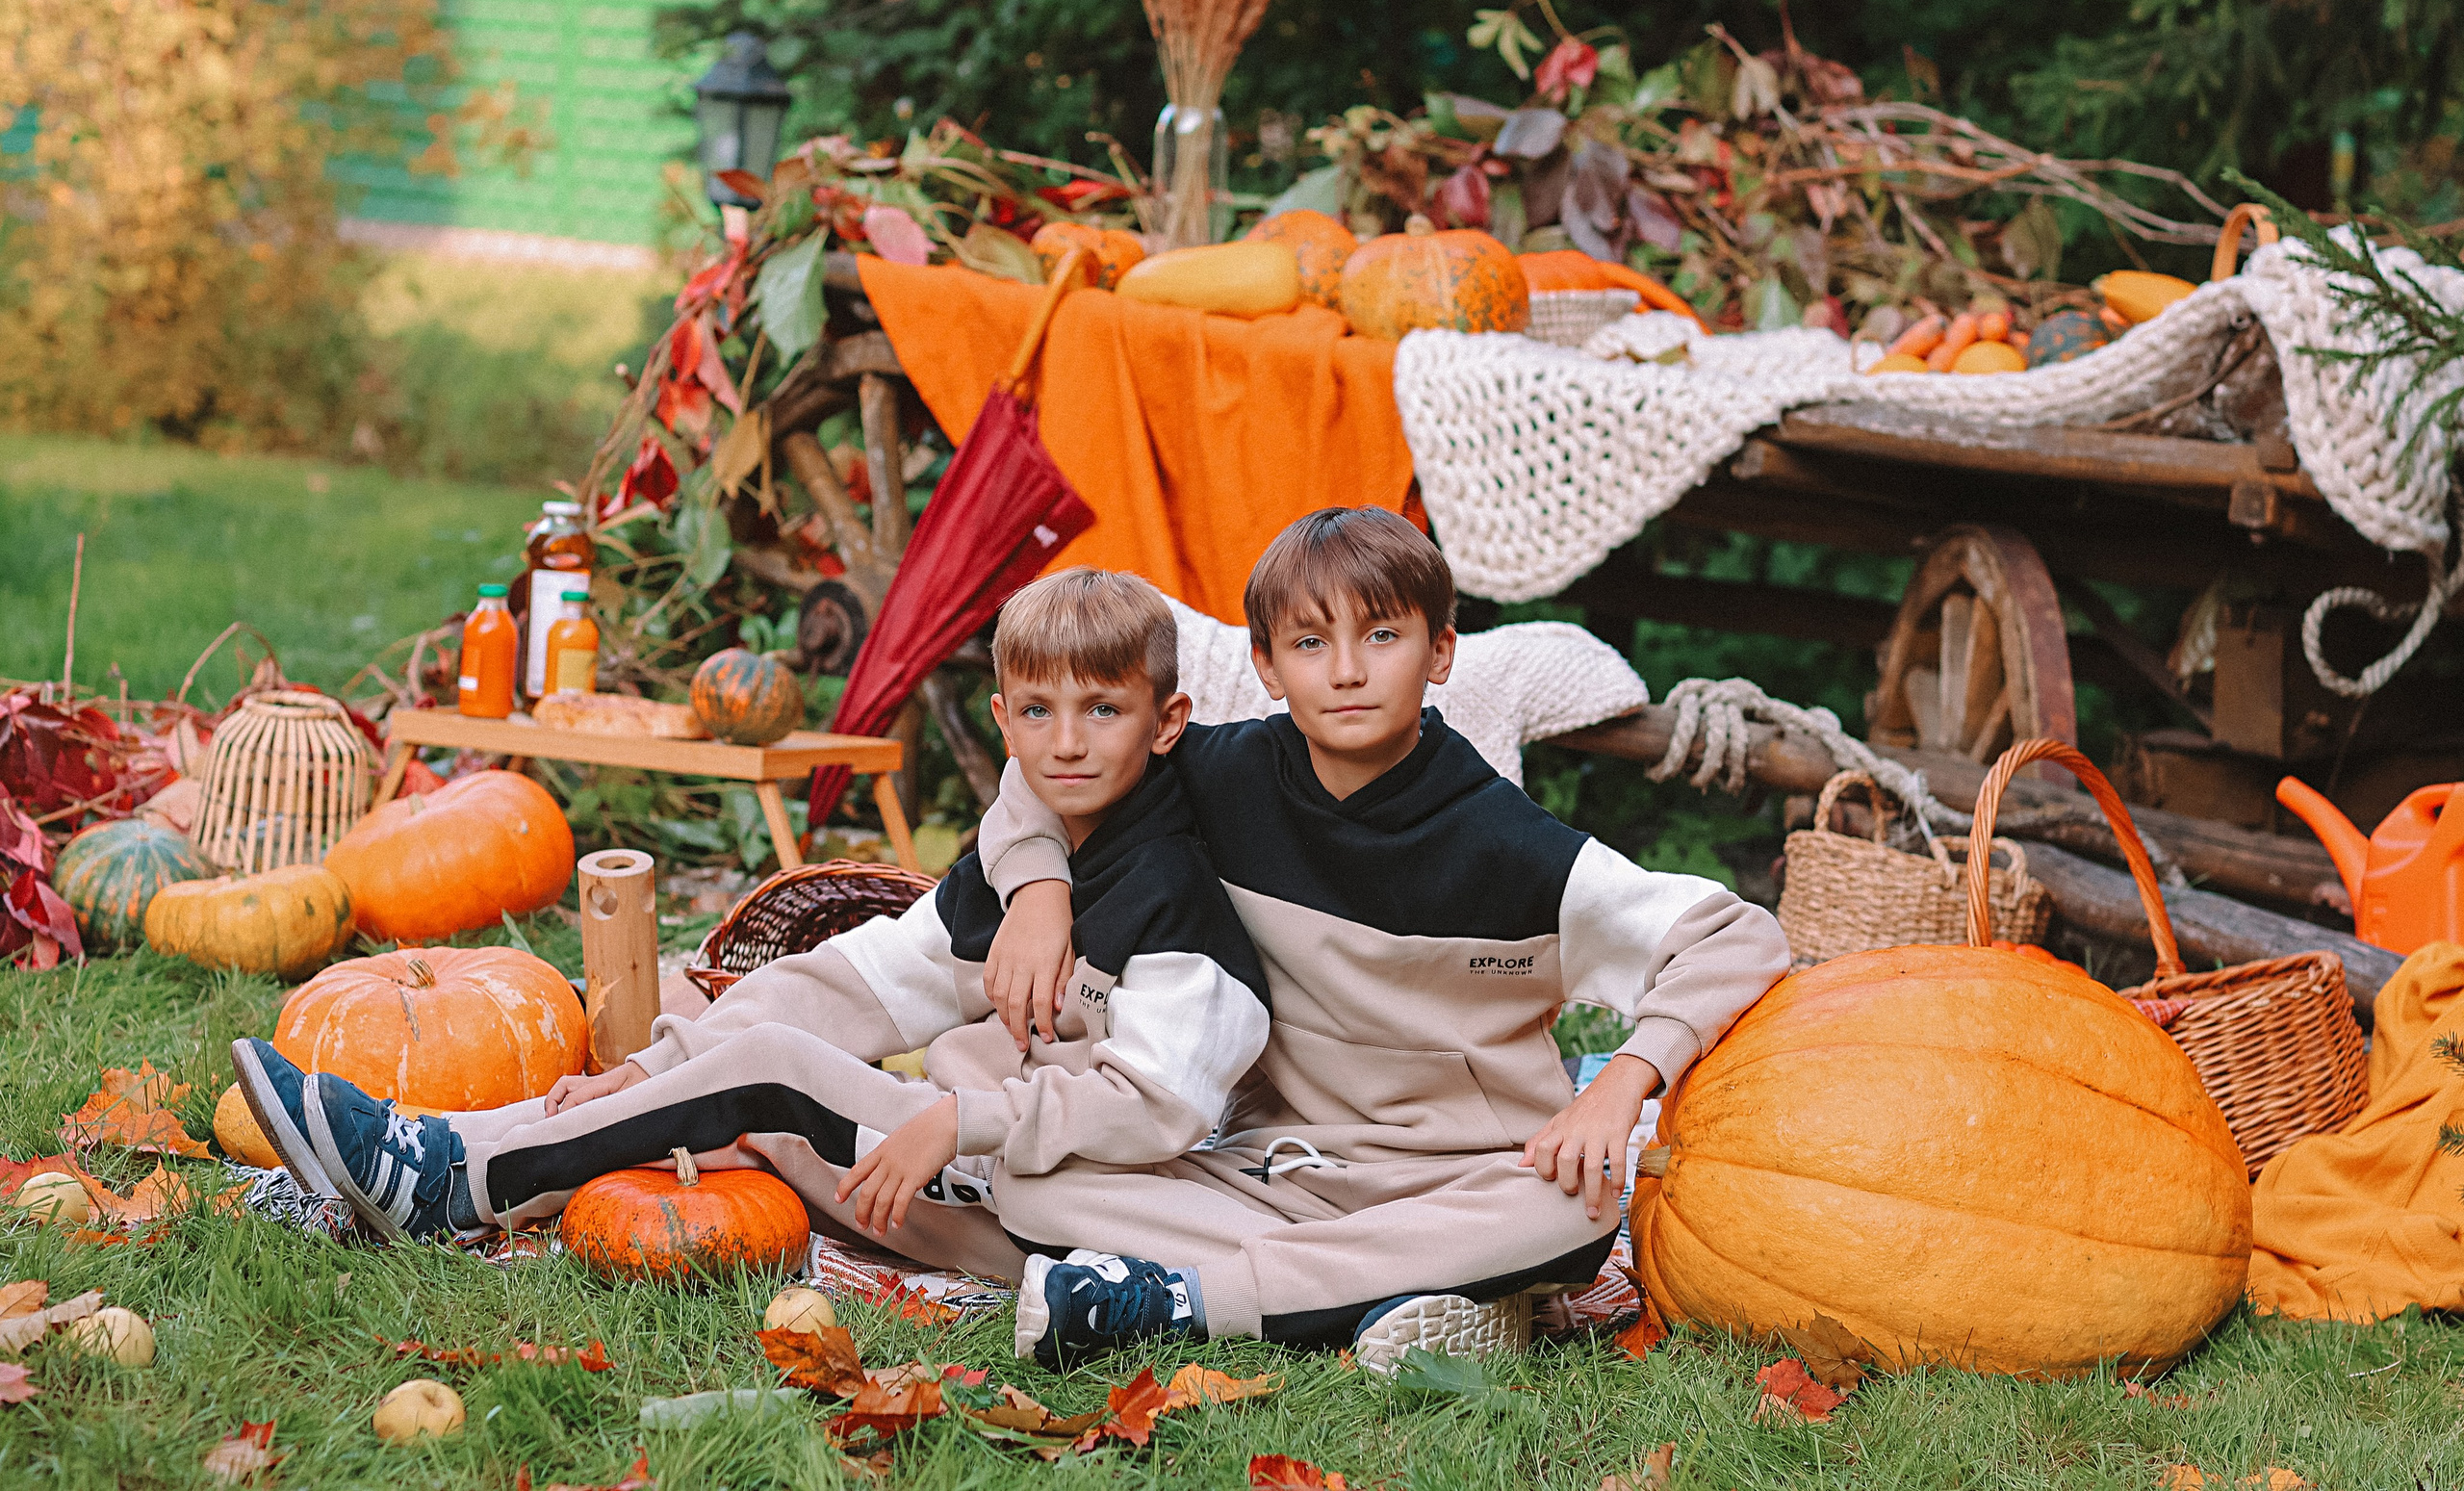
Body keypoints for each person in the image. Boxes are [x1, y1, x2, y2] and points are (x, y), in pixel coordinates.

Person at [229, 568, 1270, 1312]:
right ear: (1003, 720)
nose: (1069, 741)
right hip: (985, 1179)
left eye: (1102, 710)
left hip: (1092, 1212)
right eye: (1039, 712)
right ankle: (463, 1145)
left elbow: (1163, 1110)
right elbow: (848, 986)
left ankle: (453, 1181)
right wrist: (646, 1066)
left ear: (1165, 722)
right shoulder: (1018, 869)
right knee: (731, 1075)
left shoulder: (1173, 896)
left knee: (770, 1077)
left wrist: (960, 1118)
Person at [978, 506, 1790, 1372]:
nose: (1349, 672)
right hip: (1271, 1173)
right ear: (1268, 665)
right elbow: (1057, 764)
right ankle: (1410, 1295)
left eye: (1382, 635)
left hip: (1460, 1179)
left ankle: (1181, 1302)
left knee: (1574, 1209)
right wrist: (1036, 890)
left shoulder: (1510, 847)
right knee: (1032, 1177)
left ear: (1440, 653)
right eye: (1312, 644)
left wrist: (1622, 1082)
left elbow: (1736, 935)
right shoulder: (1217, 779)